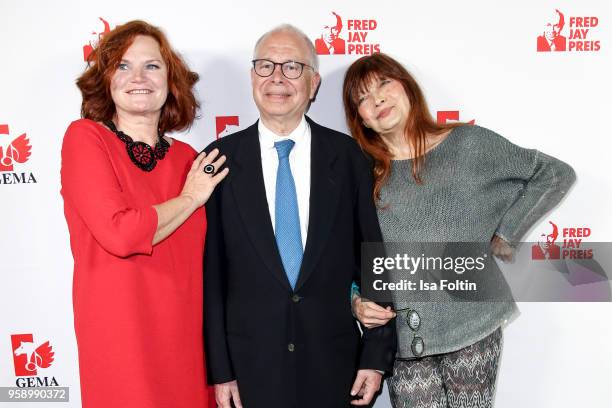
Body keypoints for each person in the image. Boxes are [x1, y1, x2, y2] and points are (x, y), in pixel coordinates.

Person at [342, 53, 575, 408]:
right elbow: (339, 250)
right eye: (362, 98)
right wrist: (356, 298)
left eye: (384, 84)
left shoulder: (470, 144)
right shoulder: (358, 172)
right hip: (405, 336)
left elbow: (554, 174)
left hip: (473, 322)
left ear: (406, 86)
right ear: (360, 119)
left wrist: (508, 233)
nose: (377, 100)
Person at [203, 25, 396, 408]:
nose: (277, 77)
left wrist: (375, 358)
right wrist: (220, 370)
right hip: (250, 371)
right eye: (265, 66)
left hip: (336, 369)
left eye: (292, 67)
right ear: (252, 77)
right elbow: (212, 275)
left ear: (313, 83)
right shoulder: (217, 161)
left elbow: (372, 258)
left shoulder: (349, 158)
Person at [61, 20, 228, 408]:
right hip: (121, 341)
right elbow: (120, 234)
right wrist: (190, 198)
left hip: (188, 345)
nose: (138, 77)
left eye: (152, 66)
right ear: (106, 80)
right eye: (122, 65)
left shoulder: (190, 159)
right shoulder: (86, 138)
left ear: (171, 81)